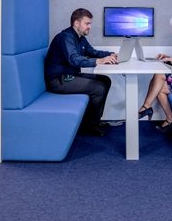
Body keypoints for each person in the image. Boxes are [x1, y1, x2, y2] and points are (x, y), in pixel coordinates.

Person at [44, 8, 118, 137]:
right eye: (87, 23)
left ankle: (94, 120)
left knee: (105, 80)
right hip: (58, 80)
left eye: (90, 23)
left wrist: (111, 54)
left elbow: (92, 52)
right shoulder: (65, 37)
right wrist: (100, 61)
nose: (90, 27)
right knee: (99, 88)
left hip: (71, 75)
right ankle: (89, 125)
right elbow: (74, 60)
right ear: (76, 23)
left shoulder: (80, 37)